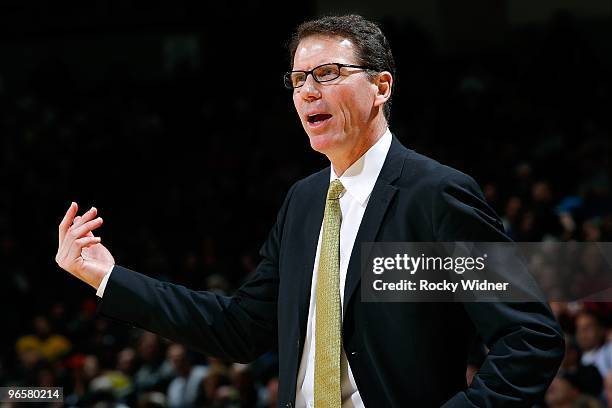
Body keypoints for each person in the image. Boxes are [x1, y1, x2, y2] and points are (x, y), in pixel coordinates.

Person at [56, 14, 564, 407]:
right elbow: (239, 328)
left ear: (381, 88)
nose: (307, 91)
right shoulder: (302, 203)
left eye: (327, 73)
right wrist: (109, 277)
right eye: (298, 79)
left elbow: (530, 337)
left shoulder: (436, 194)